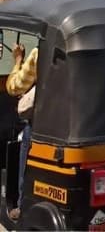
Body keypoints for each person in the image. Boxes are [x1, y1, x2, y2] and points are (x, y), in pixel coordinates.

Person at [6, 43, 38, 221]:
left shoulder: (39, 53)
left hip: (42, 123)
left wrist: (18, 60)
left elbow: (14, 87)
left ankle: (21, 205)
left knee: (26, 137)